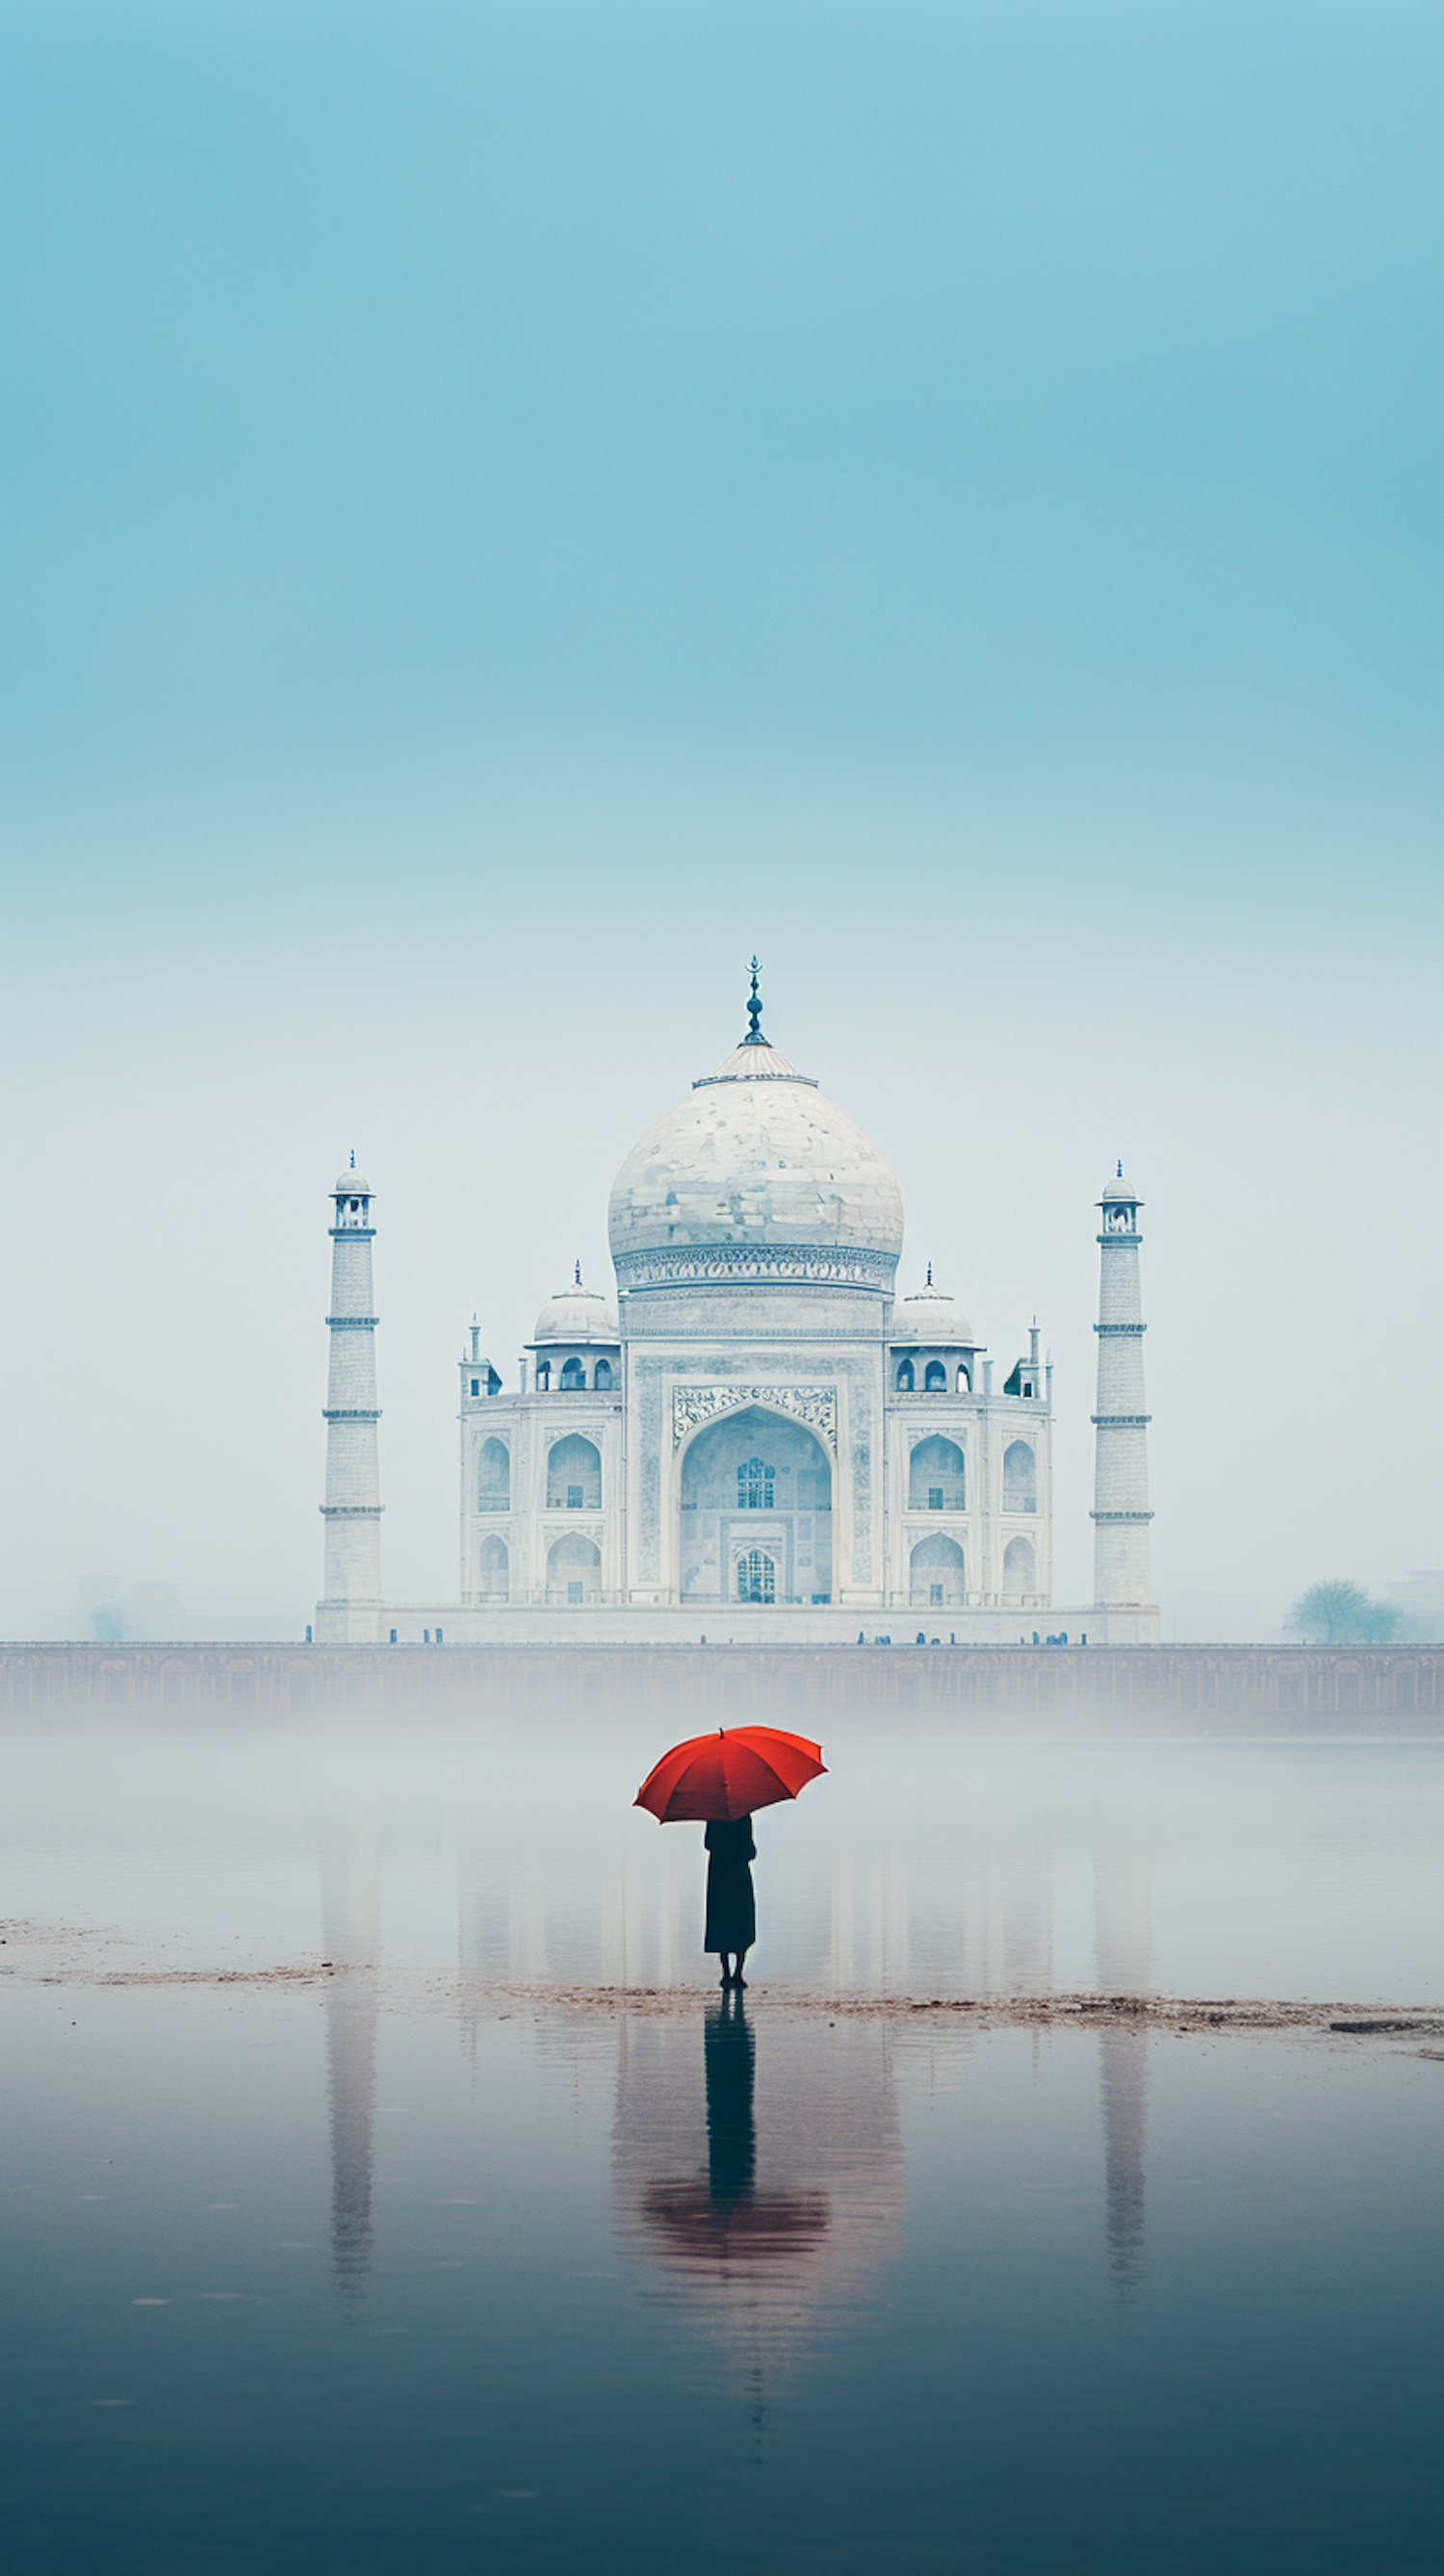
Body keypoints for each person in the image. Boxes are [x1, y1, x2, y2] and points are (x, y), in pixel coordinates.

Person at [704, 1814, 756, 1988]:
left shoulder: (713, 1816)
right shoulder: (743, 1816)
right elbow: (750, 1852)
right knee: (742, 1921)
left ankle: (726, 1974)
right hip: (739, 1874)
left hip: (719, 1874)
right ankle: (738, 1974)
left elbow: (708, 1844)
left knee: (721, 1922)